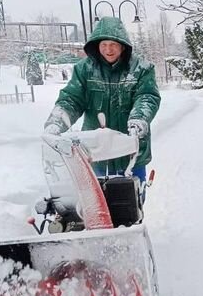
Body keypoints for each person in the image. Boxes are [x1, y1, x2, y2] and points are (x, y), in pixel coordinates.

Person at [44, 17, 161, 184]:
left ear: (122, 45)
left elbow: (147, 97)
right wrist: (57, 122)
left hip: (130, 150)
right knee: (98, 204)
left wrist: (138, 119)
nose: (108, 49)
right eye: (104, 44)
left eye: (113, 44)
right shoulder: (84, 69)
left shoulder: (141, 69)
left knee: (131, 203)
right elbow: (71, 99)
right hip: (96, 152)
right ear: (97, 45)